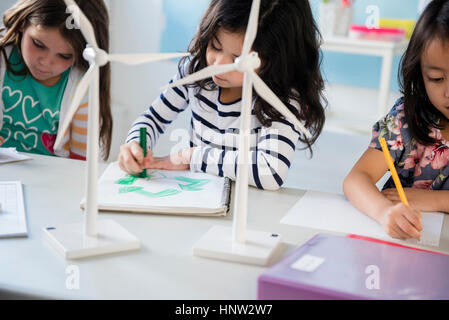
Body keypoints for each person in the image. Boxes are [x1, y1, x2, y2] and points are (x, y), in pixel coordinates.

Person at [118, 0, 326, 191]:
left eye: (237, 58)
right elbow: (153, 119)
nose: (219, 65)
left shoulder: (282, 99)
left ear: (276, 59)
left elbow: (270, 171)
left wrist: (191, 157)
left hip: (248, 206)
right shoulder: (196, 72)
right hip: (196, 195)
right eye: (215, 47)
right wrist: (135, 145)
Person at [343, 0, 449, 240]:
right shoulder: (405, 119)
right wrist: (384, 212)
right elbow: (356, 179)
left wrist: (436, 200)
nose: (448, 93)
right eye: (436, 78)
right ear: (420, 74)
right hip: (403, 245)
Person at [0, 0, 112, 160]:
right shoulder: (2, 59)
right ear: (23, 24)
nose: (45, 62)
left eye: (64, 56)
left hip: (54, 175)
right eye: (38, 44)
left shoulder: (82, 87)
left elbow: (81, 162)